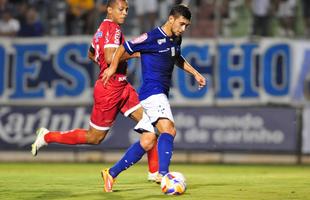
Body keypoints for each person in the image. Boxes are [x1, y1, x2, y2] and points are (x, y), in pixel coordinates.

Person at [31, 0, 159, 188]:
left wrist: (107, 67)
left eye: (126, 10)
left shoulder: (102, 29)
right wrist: (137, 53)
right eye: (120, 9)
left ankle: (154, 173)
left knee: (150, 125)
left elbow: (92, 54)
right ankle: (47, 136)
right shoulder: (113, 29)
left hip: (122, 85)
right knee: (95, 138)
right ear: (109, 10)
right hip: (109, 90)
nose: (124, 13)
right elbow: (108, 57)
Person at [101, 4, 206, 192]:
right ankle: (164, 175)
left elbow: (177, 58)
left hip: (159, 94)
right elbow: (123, 48)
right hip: (152, 93)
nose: (183, 29)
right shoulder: (152, 37)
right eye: (181, 24)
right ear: (171, 19)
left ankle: (111, 173)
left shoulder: (176, 39)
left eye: (186, 26)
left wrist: (195, 73)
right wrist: (112, 67)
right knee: (169, 130)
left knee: (148, 140)